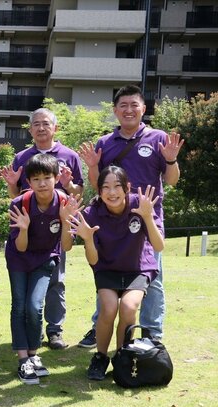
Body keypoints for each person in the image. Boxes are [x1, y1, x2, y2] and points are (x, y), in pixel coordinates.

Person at [77, 85, 183, 347]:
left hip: (147, 217)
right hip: (111, 220)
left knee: (152, 276)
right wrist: (92, 166)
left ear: (143, 109)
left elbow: (171, 181)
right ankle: (98, 326)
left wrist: (170, 160)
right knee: (105, 274)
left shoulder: (158, 138)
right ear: (115, 111)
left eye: (134, 105)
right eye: (123, 105)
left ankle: (152, 332)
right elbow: (96, 184)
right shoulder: (105, 143)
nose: (129, 110)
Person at [67, 166, 164, 380]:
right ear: (99, 192)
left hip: (137, 268)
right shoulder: (92, 213)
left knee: (129, 308)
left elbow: (159, 246)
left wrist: (148, 217)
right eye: (106, 188)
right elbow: (93, 260)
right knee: (109, 308)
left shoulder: (140, 205)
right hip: (107, 268)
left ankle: (123, 357)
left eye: (117, 186)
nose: (112, 192)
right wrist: (88, 239)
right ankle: (100, 358)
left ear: (127, 187)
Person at [4, 108, 84, 350]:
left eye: (46, 123)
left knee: (56, 281)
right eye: (36, 124)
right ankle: (33, 332)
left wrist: (68, 184)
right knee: (25, 291)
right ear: (30, 130)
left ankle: (55, 330)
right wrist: (10, 185)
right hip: (29, 226)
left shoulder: (69, 155)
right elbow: (17, 195)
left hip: (56, 226)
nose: (41, 128)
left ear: (55, 128)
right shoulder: (22, 157)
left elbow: (78, 192)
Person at [5, 154, 78, 385]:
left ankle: (34, 354)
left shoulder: (65, 202)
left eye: (47, 177)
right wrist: (24, 228)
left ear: (56, 178)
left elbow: (66, 246)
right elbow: (20, 245)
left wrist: (66, 222)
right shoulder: (20, 204)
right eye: (36, 179)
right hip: (19, 257)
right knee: (19, 305)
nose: (43, 183)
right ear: (28, 182)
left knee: (34, 305)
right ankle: (22, 358)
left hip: (45, 258)